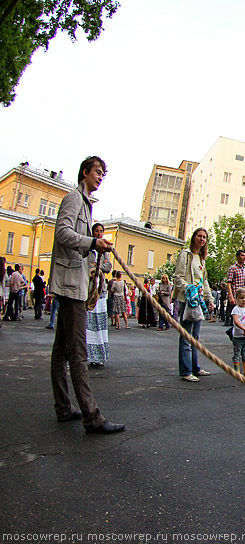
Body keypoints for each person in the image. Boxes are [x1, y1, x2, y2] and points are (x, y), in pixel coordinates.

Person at [48, 155, 124, 433]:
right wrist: (92, 241)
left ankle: (64, 408)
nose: (101, 176)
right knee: (78, 353)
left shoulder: (85, 204)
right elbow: (62, 233)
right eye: (97, 172)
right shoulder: (73, 199)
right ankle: (92, 417)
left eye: (103, 173)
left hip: (74, 284)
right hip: (69, 286)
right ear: (84, 172)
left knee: (61, 351)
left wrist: (94, 249)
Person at [173, 227, 215, 382]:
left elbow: (204, 282)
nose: (202, 239)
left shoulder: (202, 259)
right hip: (187, 299)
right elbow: (177, 277)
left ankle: (195, 367)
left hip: (197, 301)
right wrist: (189, 289)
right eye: (199, 236)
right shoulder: (186, 255)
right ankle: (185, 370)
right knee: (186, 335)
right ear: (194, 238)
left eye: (204, 237)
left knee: (195, 336)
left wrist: (209, 299)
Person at [86, 223, 113, 367]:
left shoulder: (105, 251)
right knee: (87, 323)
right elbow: (88, 264)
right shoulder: (89, 248)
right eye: (96, 231)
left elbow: (108, 267)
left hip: (100, 290)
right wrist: (94, 266)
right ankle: (85, 355)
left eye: (101, 231)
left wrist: (97, 266)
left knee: (99, 323)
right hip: (89, 289)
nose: (99, 233)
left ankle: (98, 356)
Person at [230, 287, 245, 378]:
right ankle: (236, 371)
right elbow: (236, 321)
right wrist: (244, 329)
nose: (243, 300)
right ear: (237, 299)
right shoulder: (236, 309)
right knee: (237, 352)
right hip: (238, 335)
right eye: (241, 298)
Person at [225, 250, 245, 326]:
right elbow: (229, 283)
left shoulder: (243, 269)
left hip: (242, 296)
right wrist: (231, 296)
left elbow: (244, 284)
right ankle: (233, 335)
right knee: (234, 318)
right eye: (242, 255)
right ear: (237, 257)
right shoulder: (233, 268)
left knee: (242, 318)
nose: (244, 257)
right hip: (235, 296)